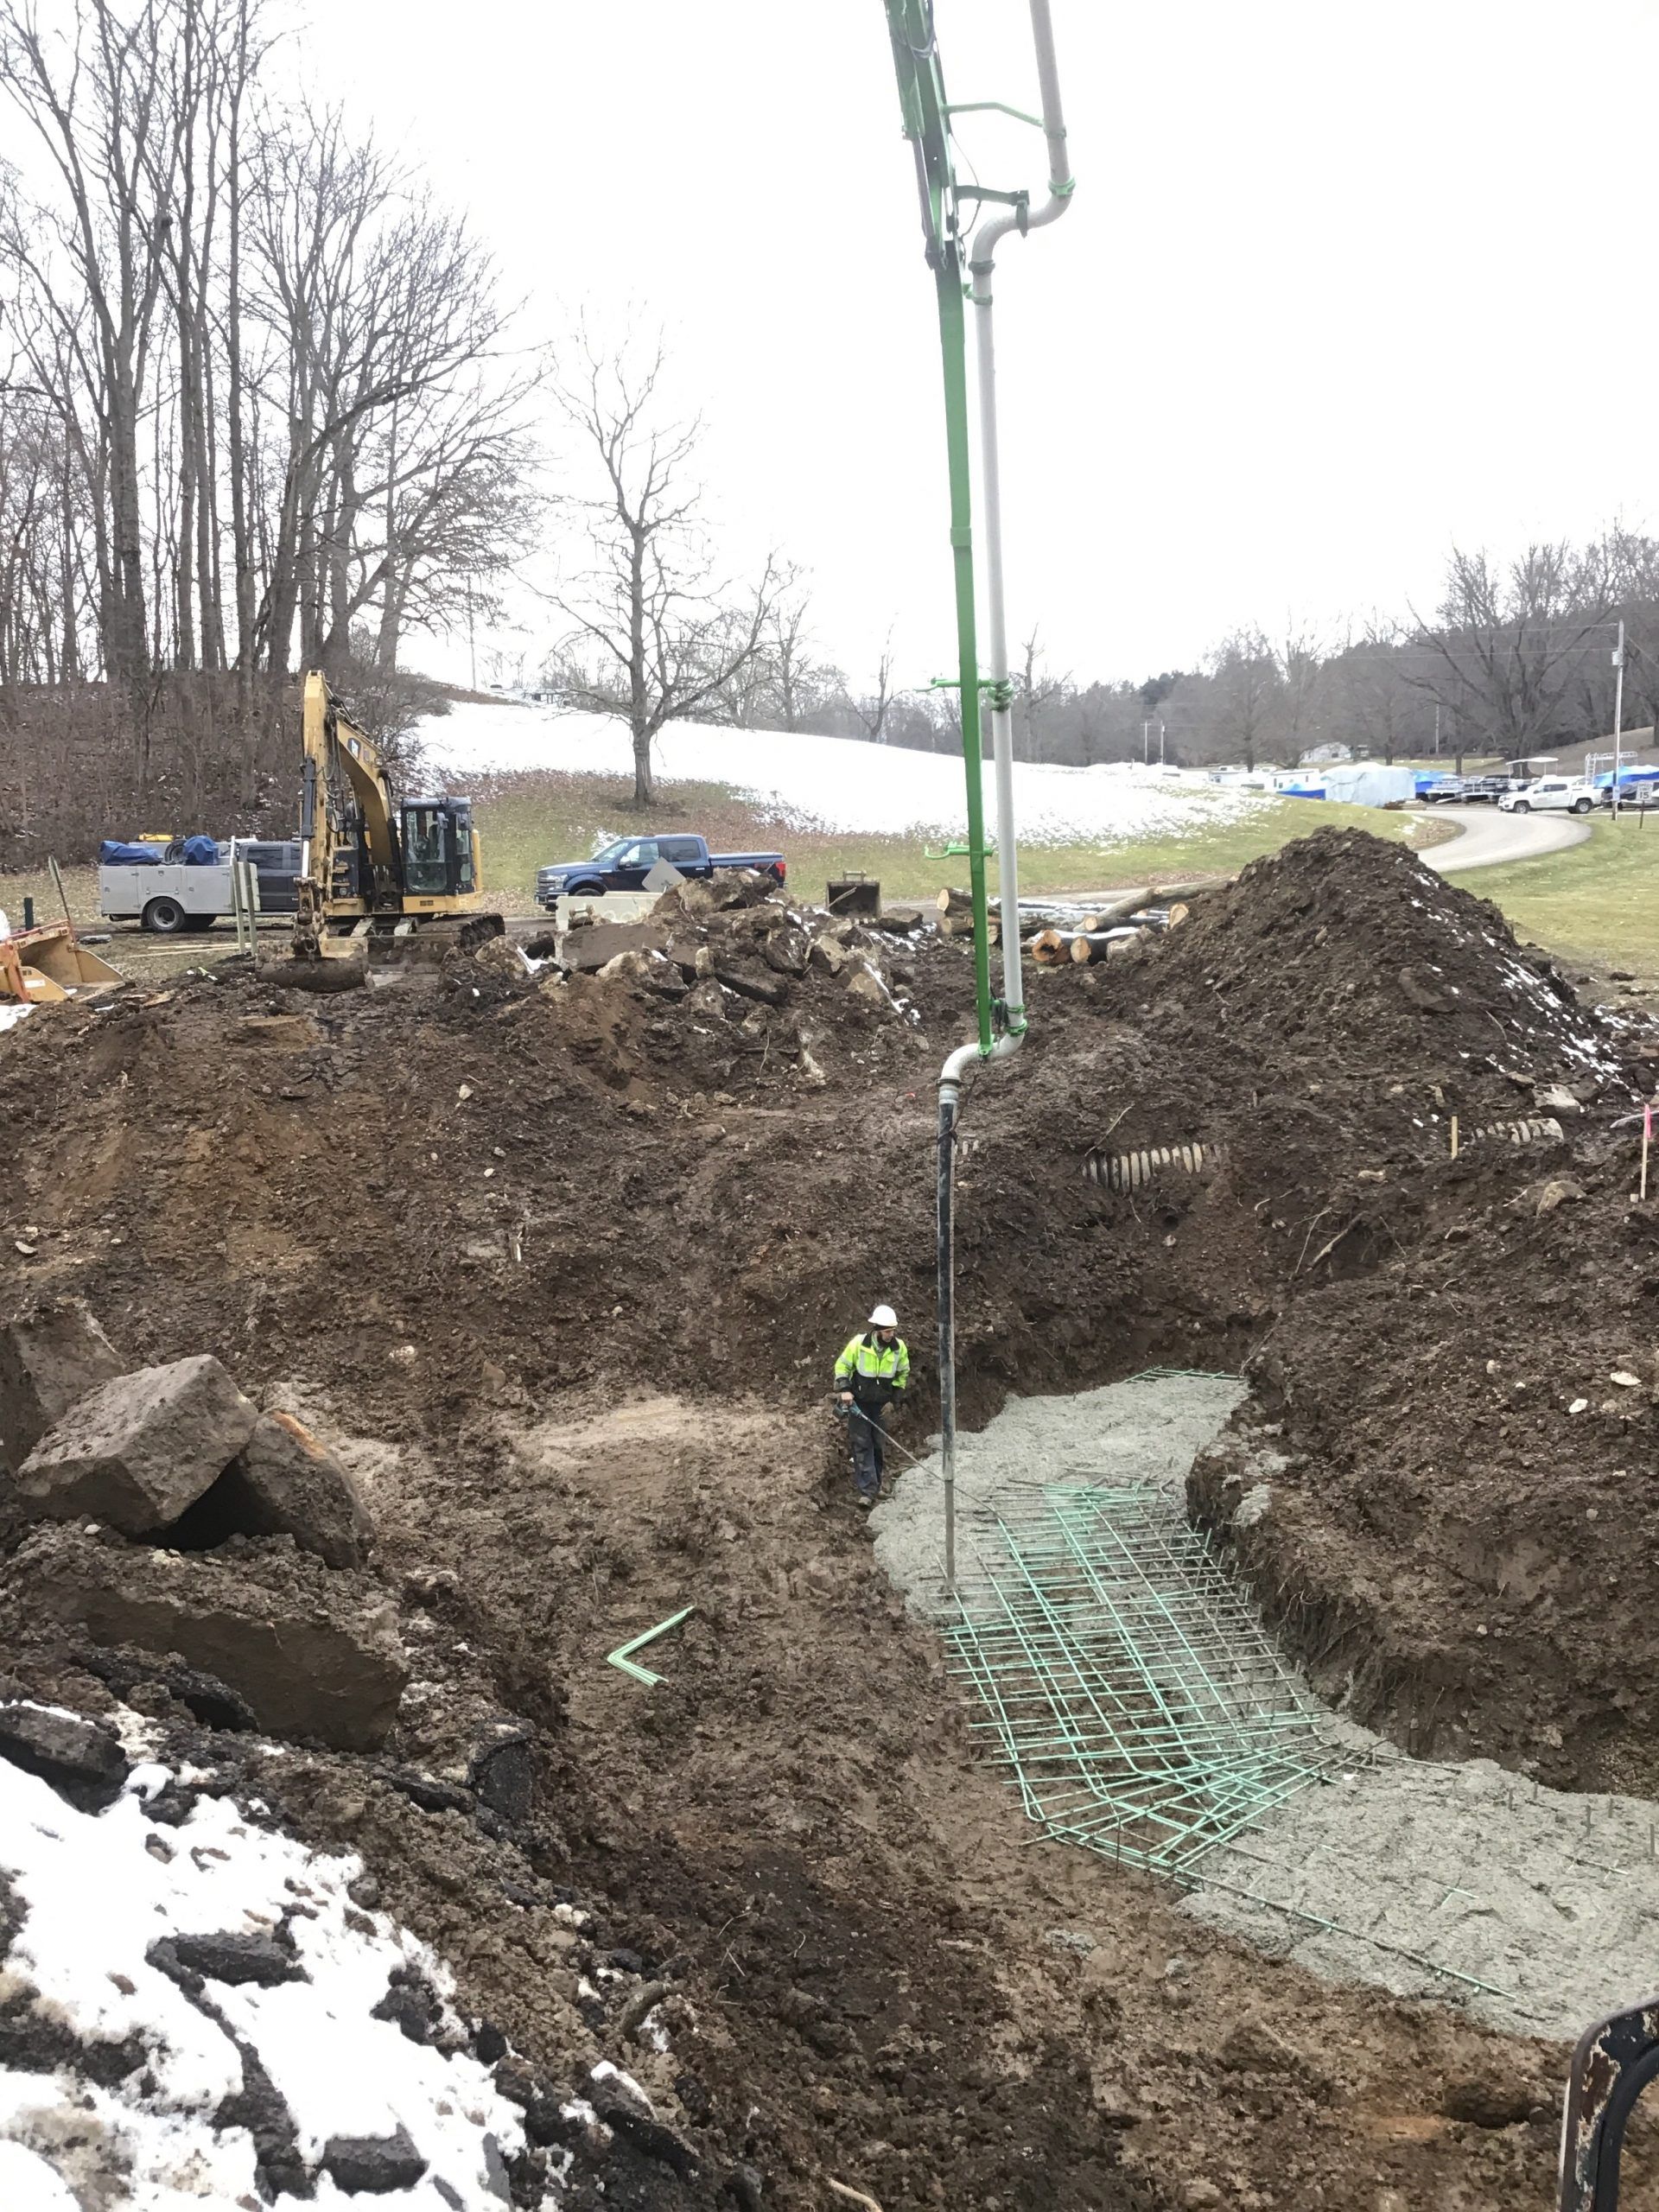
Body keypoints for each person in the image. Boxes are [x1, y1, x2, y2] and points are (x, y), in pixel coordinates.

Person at [833, 1305, 910, 1510]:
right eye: (887, 1331)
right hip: (859, 1402)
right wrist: (845, 1389)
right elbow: (842, 1366)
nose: (890, 1334)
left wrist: (893, 1401)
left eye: (892, 1331)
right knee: (862, 1444)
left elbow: (903, 1375)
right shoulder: (859, 1344)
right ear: (877, 1329)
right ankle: (867, 1491)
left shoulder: (898, 1348)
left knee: (877, 1444)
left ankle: (875, 1485)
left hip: (881, 1405)